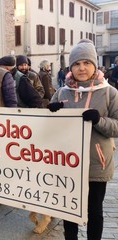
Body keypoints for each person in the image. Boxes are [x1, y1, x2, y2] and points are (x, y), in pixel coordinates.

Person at [47, 39, 118, 240]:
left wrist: (99, 120)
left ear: (94, 65)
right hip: (68, 163)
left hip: (96, 164)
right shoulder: (62, 92)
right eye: (77, 64)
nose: (81, 68)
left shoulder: (109, 93)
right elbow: (48, 126)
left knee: (94, 211)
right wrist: (52, 113)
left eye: (86, 63)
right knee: (69, 210)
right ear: (71, 67)